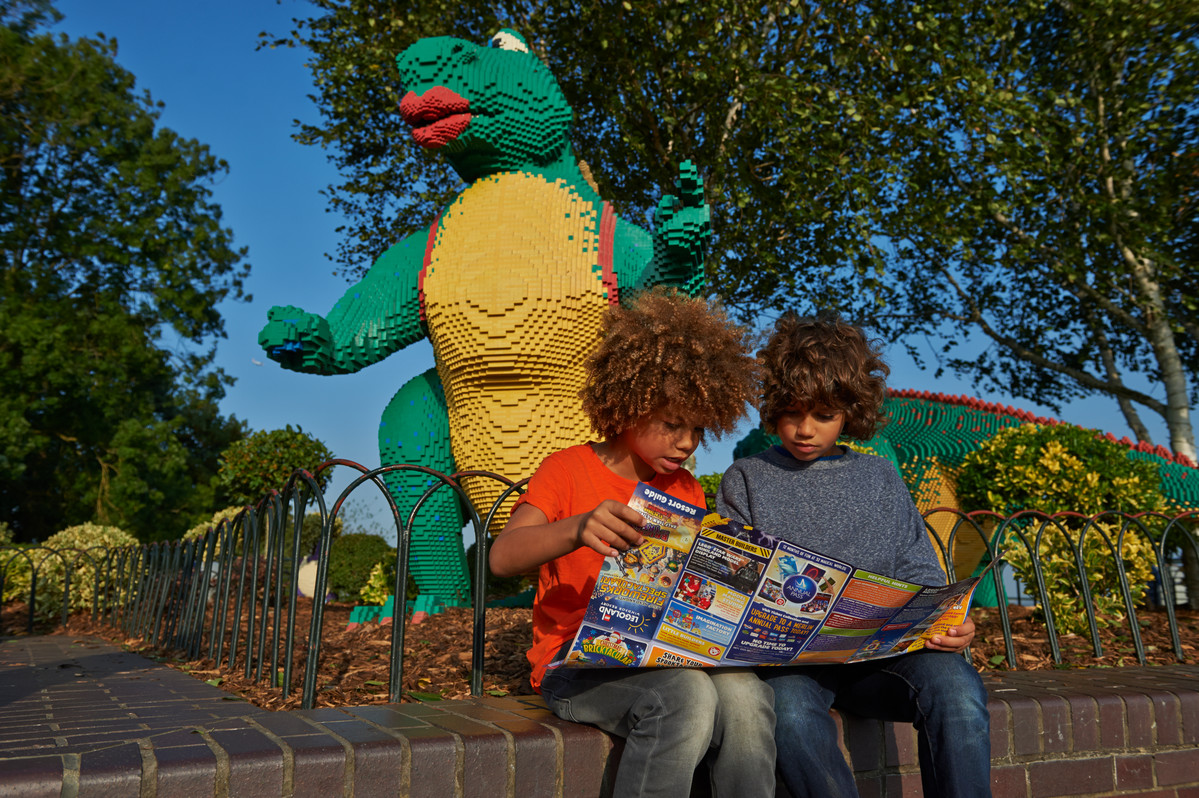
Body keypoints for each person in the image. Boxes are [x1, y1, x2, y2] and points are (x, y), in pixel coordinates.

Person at [490, 287, 775, 798]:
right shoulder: (567, 468)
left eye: (697, 428)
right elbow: (503, 557)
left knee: (746, 696)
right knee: (685, 696)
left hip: (659, 653)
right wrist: (577, 528)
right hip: (574, 663)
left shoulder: (684, 488)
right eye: (672, 425)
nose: (687, 443)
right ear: (628, 406)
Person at [717, 313, 992, 798]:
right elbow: (732, 584)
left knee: (958, 690)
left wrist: (949, 622)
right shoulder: (746, 478)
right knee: (791, 718)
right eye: (791, 413)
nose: (804, 430)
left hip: (880, 659)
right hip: (791, 668)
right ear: (774, 407)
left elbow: (920, 571)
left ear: (849, 412)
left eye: (823, 416)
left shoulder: (880, 477)